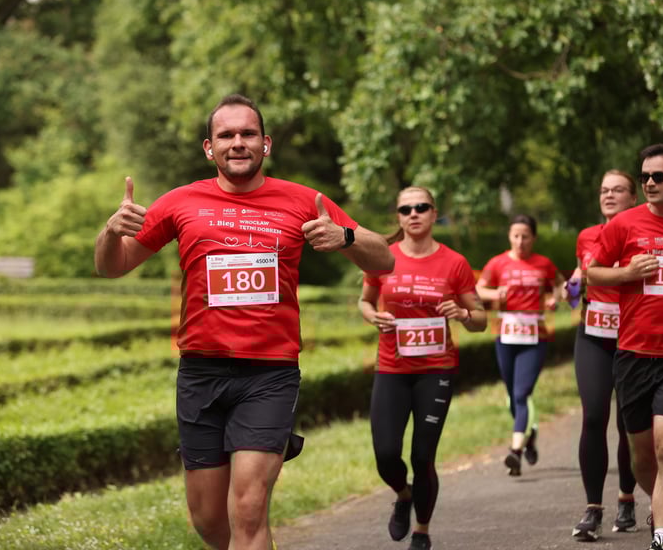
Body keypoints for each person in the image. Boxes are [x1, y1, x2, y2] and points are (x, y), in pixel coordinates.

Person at [94, 93, 394, 550]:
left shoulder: (302, 200)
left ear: (266, 143)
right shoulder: (181, 202)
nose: (238, 142)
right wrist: (110, 231)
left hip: (269, 374)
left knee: (249, 508)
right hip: (200, 372)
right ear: (209, 148)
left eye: (247, 134)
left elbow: (385, 258)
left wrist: (346, 236)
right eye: (226, 135)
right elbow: (111, 266)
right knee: (210, 521)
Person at [587, 143, 663, 550]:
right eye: (645, 177)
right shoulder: (623, 224)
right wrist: (626, 273)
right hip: (635, 353)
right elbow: (593, 274)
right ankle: (659, 503)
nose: (650, 183)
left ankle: (662, 538)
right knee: (642, 456)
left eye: (658, 176)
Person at [358, 187, 487, 550]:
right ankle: (402, 495)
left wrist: (461, 314)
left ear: (434, 213)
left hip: (436, 370)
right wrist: (374, 316)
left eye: (421, 207)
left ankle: (422, 531)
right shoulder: (382, 258)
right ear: (398, 217)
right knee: (385, 454)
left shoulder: (454, 263)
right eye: (405, 209)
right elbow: (365, 301)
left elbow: (480, 319)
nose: (413, 213)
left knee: (422, 455)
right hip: (392, 369)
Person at [567, 170, 639, 541]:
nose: (609, 195)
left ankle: (627, 497)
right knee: (594, 415)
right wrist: (575, 285)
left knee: (629, 423)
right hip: (593, 334)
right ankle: (593, 509)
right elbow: (584, 277)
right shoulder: (587, 236)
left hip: (633, 336)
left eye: (618, 190)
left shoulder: (644, 234)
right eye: (604, 190)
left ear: (634, 197)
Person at [475, 214, 565, 476]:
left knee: (521, 393)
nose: (520, 241)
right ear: (509, 237)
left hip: (534, 336)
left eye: (525, 236)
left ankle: (515, 451)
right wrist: (495, 293)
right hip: (506, 334)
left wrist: (554, 299)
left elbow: (559, 284)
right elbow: (478, 289)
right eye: (515, 235)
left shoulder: (543, 263)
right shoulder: (498, 263)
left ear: (533, 238)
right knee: (512, 393)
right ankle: (530, 434)